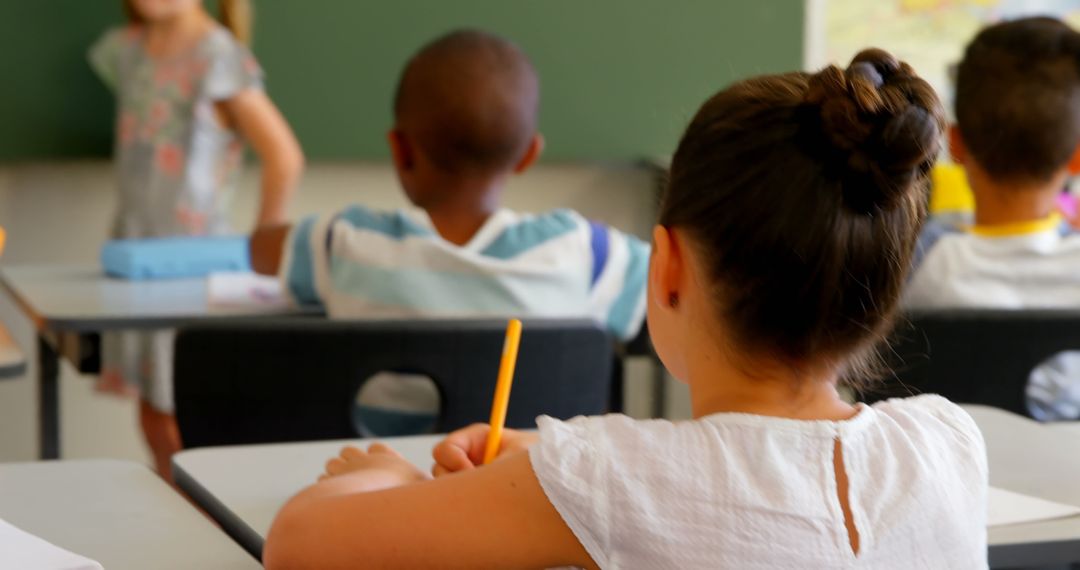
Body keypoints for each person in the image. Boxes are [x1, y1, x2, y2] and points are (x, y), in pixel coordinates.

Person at [261, 49, 988, 569]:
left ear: (666, 266)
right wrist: (541, 459)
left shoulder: (609, 482)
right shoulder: (950, 443)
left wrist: (389, 474)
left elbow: (297, 542)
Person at [250, 30, 650, 434]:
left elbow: (260, 251)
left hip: (390, 478)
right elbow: (671, 278)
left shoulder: (347, 242)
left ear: (400, 149)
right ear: (528, 154)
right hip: (524, 479)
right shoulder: (581, 250)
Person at [89, 0, 304, 479]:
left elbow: (283, 156)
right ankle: (170, 500)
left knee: (178, 410)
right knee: (151, 408)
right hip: (134, 258)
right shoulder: (128, 50)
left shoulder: (217, 58)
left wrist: (264, 251)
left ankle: (195, 518)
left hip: (191, 265)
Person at [905, 17, 1080, 420]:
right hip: (1060, 481)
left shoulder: (907, 267)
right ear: (1077, 156)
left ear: (954, 144)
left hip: (938, 477)